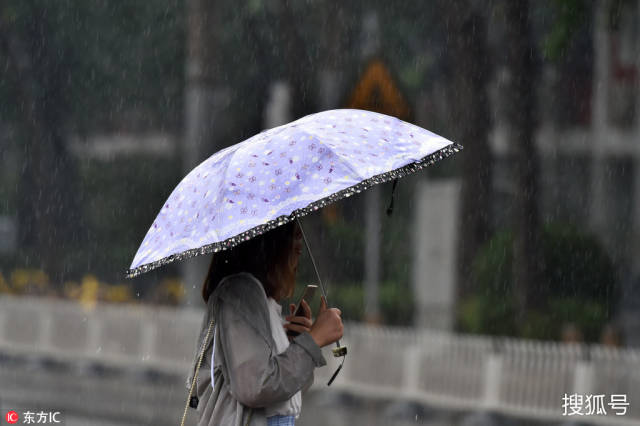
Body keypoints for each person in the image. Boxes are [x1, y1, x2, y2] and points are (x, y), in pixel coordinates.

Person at [185, 221, 344, 426]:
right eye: (293, 238)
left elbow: (285, 394)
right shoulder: (241, 294)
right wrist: (312, 341)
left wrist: (296, 345)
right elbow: (255, 387)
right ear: (270, 244)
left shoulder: (262, 301)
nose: (300, 247)